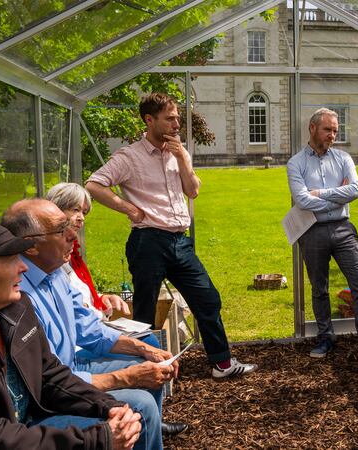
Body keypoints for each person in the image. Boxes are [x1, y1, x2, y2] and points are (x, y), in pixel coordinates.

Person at [0, 220, 141, 450]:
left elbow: (49, 375)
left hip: (27, 424)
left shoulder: (15, 308)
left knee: (134, 414)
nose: (24, 267)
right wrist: (97, 440)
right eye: (10, 259)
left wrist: (109, 406)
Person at [85, 92, 256, 379]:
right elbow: (94, 184)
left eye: (178, 118)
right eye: (170, 119)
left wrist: (183, 159)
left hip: (180, 242)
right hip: (148, 242)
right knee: (145, 310)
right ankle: (143, 372)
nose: (177, 124)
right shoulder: (129, 157)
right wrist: (128, 208)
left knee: (208, 298)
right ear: (149, 120)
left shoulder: (179, 152)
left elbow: (193, 191)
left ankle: (222, 364)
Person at [1, 198, 188, 449]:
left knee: (149, 355)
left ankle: (148, 430)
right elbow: (51, 384)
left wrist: (143, 350)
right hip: (48, 402)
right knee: (140, 405)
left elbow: (90, 330)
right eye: (60, 230)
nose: (72, 235)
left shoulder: (54, 272)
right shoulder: (18, 296)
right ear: (31, 245)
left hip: (70, 370)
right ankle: (145, 427)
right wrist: (127, 377)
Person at [287, 107, 358, 363]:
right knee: (319, 288)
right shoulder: (296, 163)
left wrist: (319, 194)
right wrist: (337, 195)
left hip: (343, 229)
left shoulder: (344, 158)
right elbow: (302, 200)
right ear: (312, 128)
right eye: (327, 129)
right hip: (312, 231)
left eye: (335, 131)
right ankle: (325, 337)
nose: (332, 135)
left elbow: (355, 191)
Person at [46, 182, 131, 320]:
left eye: (84, 212)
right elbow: (74, 309)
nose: (81, 218)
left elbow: (80, 292)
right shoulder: (49, 256)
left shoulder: (72, 254)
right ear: (55, 209)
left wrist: (102, 299)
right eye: (75, 210)